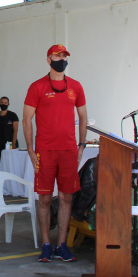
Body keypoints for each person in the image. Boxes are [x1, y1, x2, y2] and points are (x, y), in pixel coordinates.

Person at [23, 44, 88, 263]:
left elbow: (83, 116)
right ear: (48, 60)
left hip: (69, 150)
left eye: (64, 56)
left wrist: (81, 145)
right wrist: (30, 148)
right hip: (45, 150)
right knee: (44, 198)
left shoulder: (75, 86)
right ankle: (46, 244)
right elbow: (27, 119)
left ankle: (62, 244)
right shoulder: (37, 87)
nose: (61, 59)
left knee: (66, 197)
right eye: (57, 56)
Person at [0, 96, 19, 164]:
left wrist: (13, 144)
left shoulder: (13, 115)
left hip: (9, 144)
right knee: (0, 162)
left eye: (5, 103)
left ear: (8, 104)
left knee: (9, 163)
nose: (3, 104)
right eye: (2, 103)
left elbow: (15, 131)